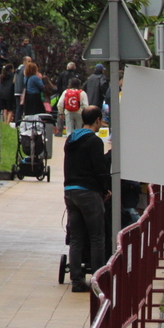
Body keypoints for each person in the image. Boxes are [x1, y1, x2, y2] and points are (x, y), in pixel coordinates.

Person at [63, 106, 110, 293]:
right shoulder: (94, 141)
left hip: (70, 192)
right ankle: (98, 281)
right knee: (97, 236)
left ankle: (77, 281)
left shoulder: (70, 139)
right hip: (88, 192)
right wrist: (105, 189)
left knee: (76, 238)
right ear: (97, 120)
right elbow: (99, 169)